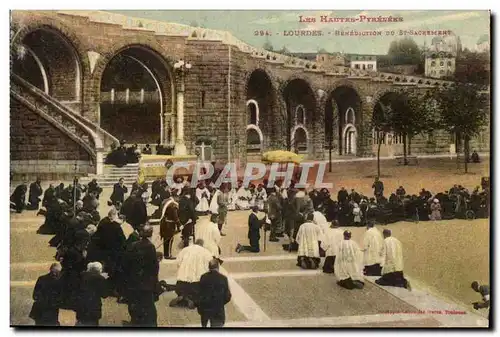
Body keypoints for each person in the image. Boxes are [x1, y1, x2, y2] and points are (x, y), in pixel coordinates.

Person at [125, 225, 159, 326]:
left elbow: (127, 263)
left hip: (134, 280)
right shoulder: (150, 247)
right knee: (148, 305)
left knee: (134, 303)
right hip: (146, 283)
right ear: (151, 234)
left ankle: (135, 321)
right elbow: (154, 267)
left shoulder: (133, 245)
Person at [170, 239, 213, 309]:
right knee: (199, 296)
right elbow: (210, 265)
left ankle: (182, 296)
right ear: (202, 244)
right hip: (196, 283)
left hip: (181, 281)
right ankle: (191, 299)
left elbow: (178, 262)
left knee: (182, 291)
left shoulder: (185, 250)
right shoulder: (206, 252)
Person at [198, 259, 232, 328]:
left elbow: (199, 293)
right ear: (218, 267)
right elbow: (228, 296)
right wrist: (220, 302)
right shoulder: (223, 278)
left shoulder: (203, 277)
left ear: (209, 267)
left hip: (205, 310)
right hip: (218, 310)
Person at [76, 262, 109, 326]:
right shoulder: (100, 279)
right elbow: (105, 295)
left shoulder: (81, 275)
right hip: (94, 307)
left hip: (81, 305)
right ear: (99, 270)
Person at [159, 191, 181, 259]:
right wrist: (179, 225)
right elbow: (175, 217)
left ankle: (166, 253)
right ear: (175, 197)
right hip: (170, 225)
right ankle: (168, 255)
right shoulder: (172, 205)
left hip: (164, 223)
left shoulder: (165, 201)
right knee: (169, 240)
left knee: (165, 239)